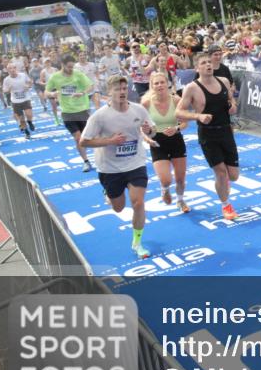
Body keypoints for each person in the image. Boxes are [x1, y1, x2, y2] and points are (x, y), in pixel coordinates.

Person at [80, 75, 158, 259]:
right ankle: (108, 193)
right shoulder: (99, 116)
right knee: (119, 208)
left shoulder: (138, 110)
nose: (122, 92)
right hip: (110, 168)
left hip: (135, 163)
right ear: (109, 92)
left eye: (124, 88)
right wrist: (110, 141)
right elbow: (84, 141)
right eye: (117, 89)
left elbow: (152, 129)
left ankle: (137, 243)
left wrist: (149, 131)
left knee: (138, 202)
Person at [177, 53, 241, 220]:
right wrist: (198, 116)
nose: (208, 65)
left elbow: (230, 100)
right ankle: (226, 205)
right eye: (203, 63)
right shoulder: (192, 88)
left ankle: (223, 184)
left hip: (226, 131)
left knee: (233, 176)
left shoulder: (224, 81)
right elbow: (179, 112)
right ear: (197, 68)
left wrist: (233, 106)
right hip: (208, 135)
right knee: (220, 172)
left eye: (209, 62)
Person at [142, 71, 190, 212]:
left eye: (162, 82)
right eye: (156, 83)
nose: (160, 85)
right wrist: (146, 138)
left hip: (176, 140)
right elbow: (139, 126)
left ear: (167, 83)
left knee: (180, 178)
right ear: (152, 86)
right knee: (166, 179)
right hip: (157, 142)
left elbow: (185, 123)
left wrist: (176, 128)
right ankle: (165, 190)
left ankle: (180, 200)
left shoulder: (176, 100)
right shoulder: (146, 103)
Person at [44, 54, 95, 172]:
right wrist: (52, 94)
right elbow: (46, 91)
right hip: (67, 113)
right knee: (78, 138)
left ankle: (101, 157)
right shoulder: (55, 77)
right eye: (69, 67)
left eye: (72, 67)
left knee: (89, 138)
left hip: (83, 110)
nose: (71, 69)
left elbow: (90, 86)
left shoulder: (78, 74)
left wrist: (82, 93)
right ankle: (86, 161)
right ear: (62, 65)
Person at [2, 63, 35, 139]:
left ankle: (30, 122)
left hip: (25, 98)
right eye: (10, 68)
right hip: (15, 102)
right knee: (21, 119)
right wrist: (8, 89)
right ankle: (26, 132)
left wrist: (28, 86)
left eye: (13, 68)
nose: (12, 70)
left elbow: (30, 82)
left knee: (29, 114)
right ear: (7, 70)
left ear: (16, 68)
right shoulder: (6, 80)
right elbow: (4, 90)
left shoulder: (22, 75)